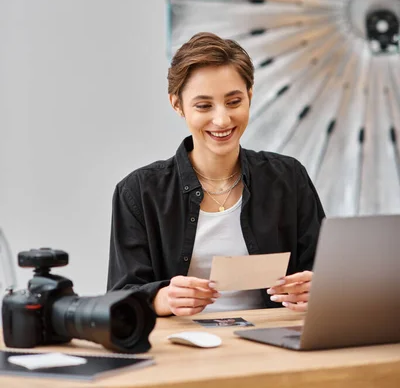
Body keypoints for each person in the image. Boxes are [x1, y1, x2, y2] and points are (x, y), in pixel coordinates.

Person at [107, 32, 325, 317]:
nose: (222, 120)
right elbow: (120, 298)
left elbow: (328, 274)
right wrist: (163, 299)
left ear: (249, 95)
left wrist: (316, 288)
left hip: (276, 345)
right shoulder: (138, 192)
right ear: (177, 104)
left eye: (234, 102)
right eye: (204, 106)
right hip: (181, 349)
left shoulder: (289, 178)